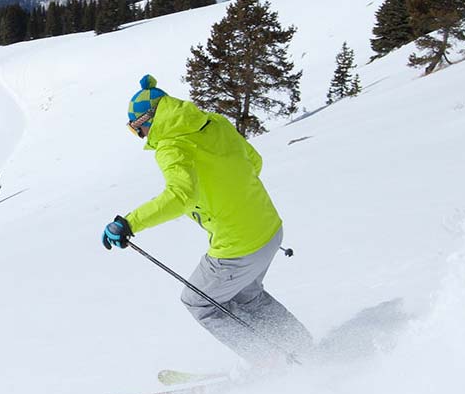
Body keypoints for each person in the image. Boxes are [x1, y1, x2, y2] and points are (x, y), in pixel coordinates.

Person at [102, 74, 313, 367]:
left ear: (150, 119)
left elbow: (180, 197)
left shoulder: (171, 146)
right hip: (269, 228)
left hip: (238, 247)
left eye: (137, 128)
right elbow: (254, 162)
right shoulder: (216, 122)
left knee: (199, 301)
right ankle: (305, 348)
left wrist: (129, 223)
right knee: (247, 297)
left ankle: (271, 361)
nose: (141, 136)